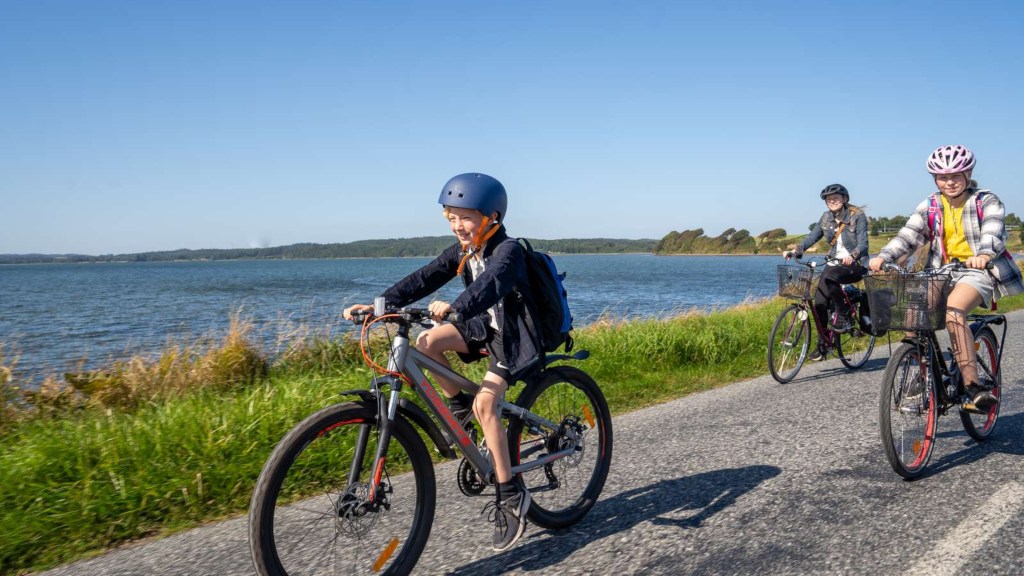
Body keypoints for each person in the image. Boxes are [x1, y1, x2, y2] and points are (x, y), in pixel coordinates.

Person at [343, 173, 538, 551]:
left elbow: (491, 284)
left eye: (465, 218)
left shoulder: (508, 250)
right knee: (426, 340)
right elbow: (423, 278)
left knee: (488, 405)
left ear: (491, 217)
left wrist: (456, 307)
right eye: (451, 217)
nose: (457, 226)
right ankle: (459, 410)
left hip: (514, 336)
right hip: (484, 325)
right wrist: (379, 305)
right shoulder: (463, 251)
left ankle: (511, 494)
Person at [869, 145, 1023, 408]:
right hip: (940, 272)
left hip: (977, 271)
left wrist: (984, 254)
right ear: (935, 179)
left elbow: (994, 232)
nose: (949, 182)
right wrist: (884, 256)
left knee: (953, 312)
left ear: (968, 173)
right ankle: (922, 369)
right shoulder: (930, 205)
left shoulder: (986, 201)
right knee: (911, 312)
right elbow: (908, 236)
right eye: (942, 177)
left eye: (956, 175)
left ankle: (973, 387)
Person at [784, 183, 869, 360]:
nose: (832, 201)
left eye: (836, 198)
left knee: (830, 277)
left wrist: (852, 256)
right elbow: (811, 237)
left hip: (856, 263)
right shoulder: (825, 218)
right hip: (834, 263)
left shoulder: (857, 217)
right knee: (820, 303)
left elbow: (863, 244)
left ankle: (844, 313)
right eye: (829, 200)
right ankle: (823, 346)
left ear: (844, 199)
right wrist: (796, 251)